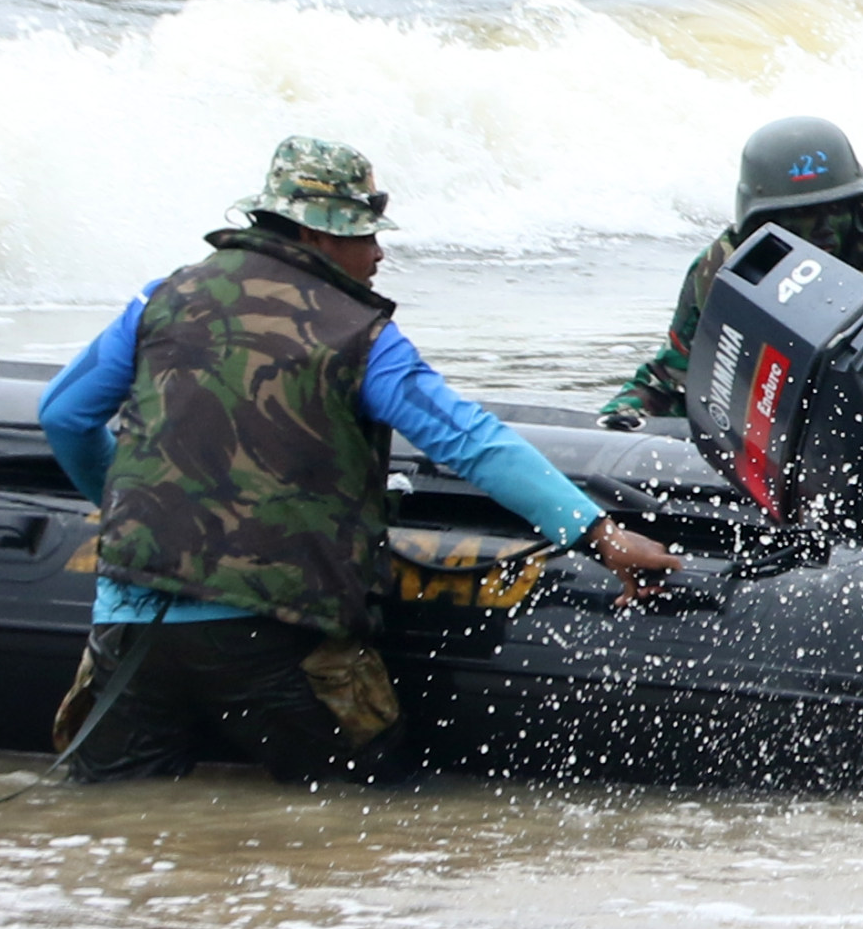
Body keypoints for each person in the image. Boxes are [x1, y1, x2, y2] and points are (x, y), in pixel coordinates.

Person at [38, 136, 680, 786]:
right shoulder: (355, 333)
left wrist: (133, 513)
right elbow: (470, 441)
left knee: (114, 826)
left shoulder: (162, 298)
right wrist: (598, 533)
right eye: (366, 235)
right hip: (273, 630)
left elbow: (64, 414)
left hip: (130, 623)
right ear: (318, 236)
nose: (377, 254)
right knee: (357, 822)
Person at [606, 116, 863, 425]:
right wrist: (622, 419)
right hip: (778, 423)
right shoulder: (727, 268)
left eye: (835, 209)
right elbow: (677, 373)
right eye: (800, 215)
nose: (821, 229)